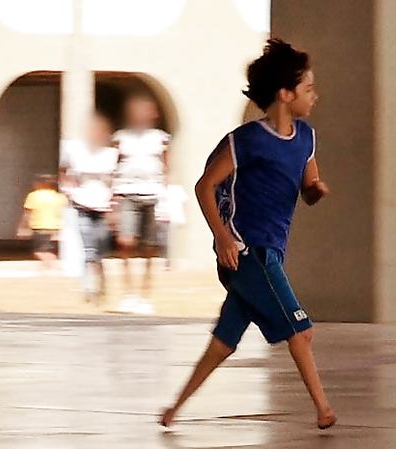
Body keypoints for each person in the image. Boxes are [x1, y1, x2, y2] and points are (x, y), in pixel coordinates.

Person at [159, 39, 336, 430]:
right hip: (247, 252)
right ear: (285, 94)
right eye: (308, 89)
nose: (315, 96)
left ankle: (173, 410)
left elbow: (308, 185)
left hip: (270, 251)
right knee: (301, 330)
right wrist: (223, 237)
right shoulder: (248, 141)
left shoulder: (306, 138)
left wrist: (315, 191)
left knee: (223, 342)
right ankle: (323, 409)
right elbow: (205, 186)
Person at [112, 94, 171, 314]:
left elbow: (167, 168)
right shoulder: (121, 137)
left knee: (149, 246)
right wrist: (112, 197)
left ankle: (145, 295)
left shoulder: (160, 138)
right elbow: (113, 165)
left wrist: (167, 195)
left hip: (152, 195)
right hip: (127, 193)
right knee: (125, 242)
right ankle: (129, 293)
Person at [60, 112, 119, 304]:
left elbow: (116, 180)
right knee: (89, 251)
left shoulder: (110, 155)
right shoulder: (76, 152)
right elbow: (64, 171)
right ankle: (88, 288)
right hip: (82, 206)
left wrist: (114, 206)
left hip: (102, 209)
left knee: (100, 252)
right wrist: (69, 190)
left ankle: (101, 284)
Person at [17, 175, 67, 271]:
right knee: (48, 250)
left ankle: (51, 266)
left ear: (40, 183)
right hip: (56, 228)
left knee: (40, 251)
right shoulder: (60, 197)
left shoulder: (34, 196)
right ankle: (50, 266)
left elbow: (27, 213)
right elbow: (64, 213)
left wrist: (23, 227)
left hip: (40, 227)